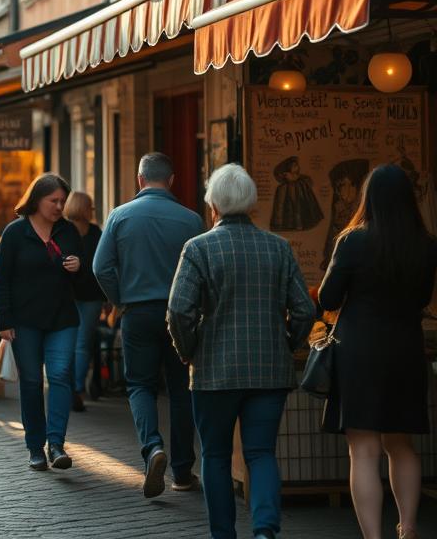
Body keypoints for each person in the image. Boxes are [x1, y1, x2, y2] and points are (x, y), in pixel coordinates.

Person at [169, 164, 314, 539]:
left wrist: (189, 351)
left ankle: (224, 534)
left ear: (213, 205)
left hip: (214, 371)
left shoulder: (198, 249)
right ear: (251, 203)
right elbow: (304, 309)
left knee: (215, 455)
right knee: (261, 452)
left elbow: (179, 311)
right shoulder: (278, 247)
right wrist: (288, 343)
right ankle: (265, 530)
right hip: (270, 369)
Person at [318, 164, 437, 539]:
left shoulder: (353, 240)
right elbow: (421, 299)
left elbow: (328, 298)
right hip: (406, 349)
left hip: (359, 352)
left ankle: (374, 537)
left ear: (368, 198)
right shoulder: (426, 244)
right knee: (401, 444)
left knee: (365, 450)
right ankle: (409, 528)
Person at [92, 152, 205, 498]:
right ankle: (183, 471)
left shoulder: (119, 216)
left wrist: (121, 298)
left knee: (139, 385)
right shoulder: (191, 220)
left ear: (140, 180)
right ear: (171, 180)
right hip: (180, 313)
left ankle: (152, 448)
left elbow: (100, 267)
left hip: (138, 312)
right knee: (181, 390)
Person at [0, 173, 83, 471]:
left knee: (60, 377)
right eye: (53, 201)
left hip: (63, 319)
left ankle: (56, 444)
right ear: (36, 200)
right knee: (31, 382)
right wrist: (4, 321)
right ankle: (35, 446)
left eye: (62, 201)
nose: (59, 206)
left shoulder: (68, 232)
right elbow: (1, 280)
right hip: (25, 320)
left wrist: (78, 267)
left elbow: (85, 284)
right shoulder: (15, 233)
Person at [64, 192, 104, 413]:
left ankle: (66, 387)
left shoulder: (61, 231)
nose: (93, 210)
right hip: (91, 295)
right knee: (82, 344)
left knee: (66, 342)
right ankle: (76, 389)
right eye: (90, 206)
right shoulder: (96, 233)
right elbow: (102, 264)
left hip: (68, 294)